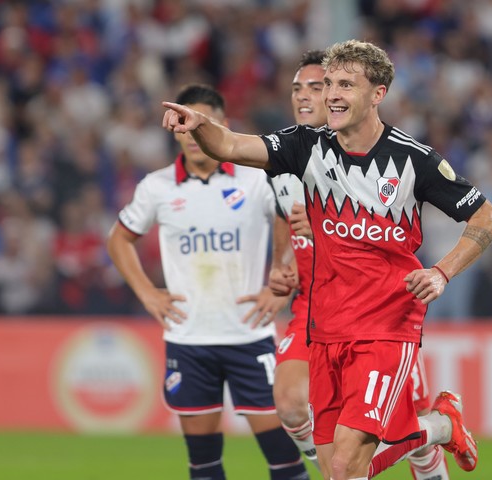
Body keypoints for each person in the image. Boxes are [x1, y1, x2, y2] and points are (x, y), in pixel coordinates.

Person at [162, 40, 492, 480]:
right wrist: (199, 125)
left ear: (378, 94)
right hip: (324, 328)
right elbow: (229, 145)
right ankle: (438, 426)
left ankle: (435, 429)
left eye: (346, 84)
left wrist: (442, 272)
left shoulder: (413, 159)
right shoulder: (305, 145)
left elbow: (487, 218)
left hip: (386, 325)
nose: (333, 95)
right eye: (329, 85)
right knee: (337, 471)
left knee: (343, 466)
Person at [107, 84, 309, 480]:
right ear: (175, 129)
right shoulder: (157, 187)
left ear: (222, 126)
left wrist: (277, 279)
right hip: (189, 340)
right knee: (203, 462)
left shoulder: (255, 179)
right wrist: (147, 293)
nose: (193, 134)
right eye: (184, 125)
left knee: (284, 457)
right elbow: (118, 238)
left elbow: (288, 215)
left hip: (249, 335)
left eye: (201, 124)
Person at [269, 50, 452, 480]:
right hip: (314, 310)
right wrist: (282, 261)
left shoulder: (366, 152)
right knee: (291, 403)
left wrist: (323, 227)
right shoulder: (283, 154)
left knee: (408, 417)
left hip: (376, 310)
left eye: (320, 86)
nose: (308, 96)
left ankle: (431, 445)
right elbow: (280, 217)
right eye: (300, 88)